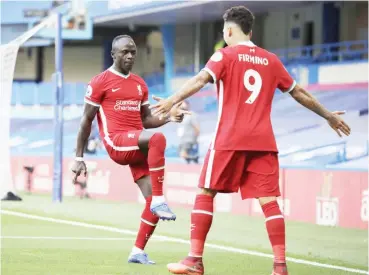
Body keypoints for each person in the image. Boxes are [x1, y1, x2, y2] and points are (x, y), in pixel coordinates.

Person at [149, 6, 351, 275]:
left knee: (205, 192)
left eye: (224, 31)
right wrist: (328, 115)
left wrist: (171, 101)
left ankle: (195, 260)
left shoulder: (224, 56)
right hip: (263, 142)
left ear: (229, 31)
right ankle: (280, 267)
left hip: (229, 138)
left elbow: (200, 80)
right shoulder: (271, 60)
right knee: (269, 202)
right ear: (251, 31)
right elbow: (298, 92)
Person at [71, 35, 189, 265]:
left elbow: (146, 120)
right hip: (117, 142)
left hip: (136, 142)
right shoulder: (99, 82)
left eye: (133, 52)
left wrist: (169, 117)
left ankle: (137, 251)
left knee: (150, 202)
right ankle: (159, 198)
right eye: (125, 52)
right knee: (158, 140)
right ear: (113, 54)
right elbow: (86, 120)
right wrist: (78, 157)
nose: (130, 56)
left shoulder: (139, 84)